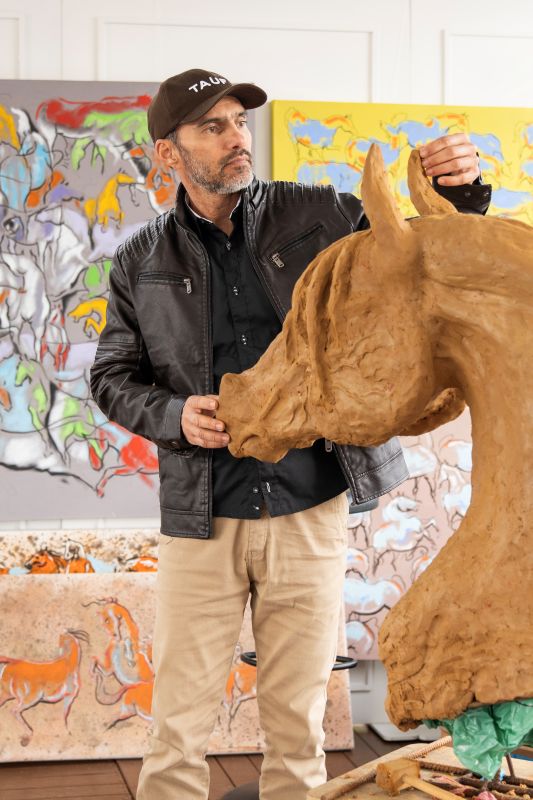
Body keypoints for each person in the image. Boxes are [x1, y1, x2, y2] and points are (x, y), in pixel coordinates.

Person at [90, 68, 491, 800]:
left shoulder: (320, 214)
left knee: (299, 729)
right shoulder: (139, 260)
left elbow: (420, 256)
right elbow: (111, 377)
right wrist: (175, 416)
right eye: (213, 126)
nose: (237, 138)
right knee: (176, 731)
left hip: (309, 505)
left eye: (240, 122)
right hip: (200, 514)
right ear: (167, 153)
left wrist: (461, 195)